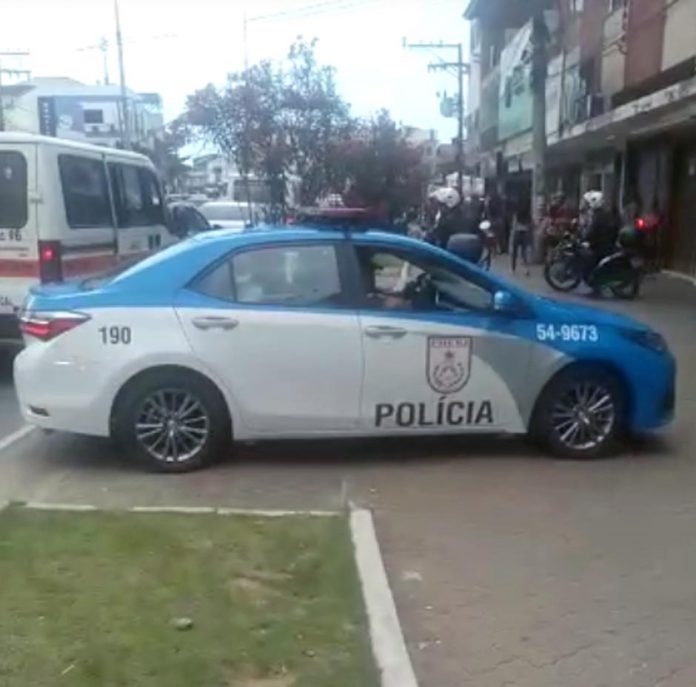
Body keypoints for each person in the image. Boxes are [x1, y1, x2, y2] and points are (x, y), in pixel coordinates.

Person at [510, 195, 532, 275]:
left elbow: (514, 224)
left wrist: (512, 234)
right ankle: (526, 269)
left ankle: (513, 269)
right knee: (524, 252)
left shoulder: (517, 212)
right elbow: (530, 225)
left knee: (514, 252)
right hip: (525, 233)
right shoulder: (528, 214)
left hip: (517, 232)